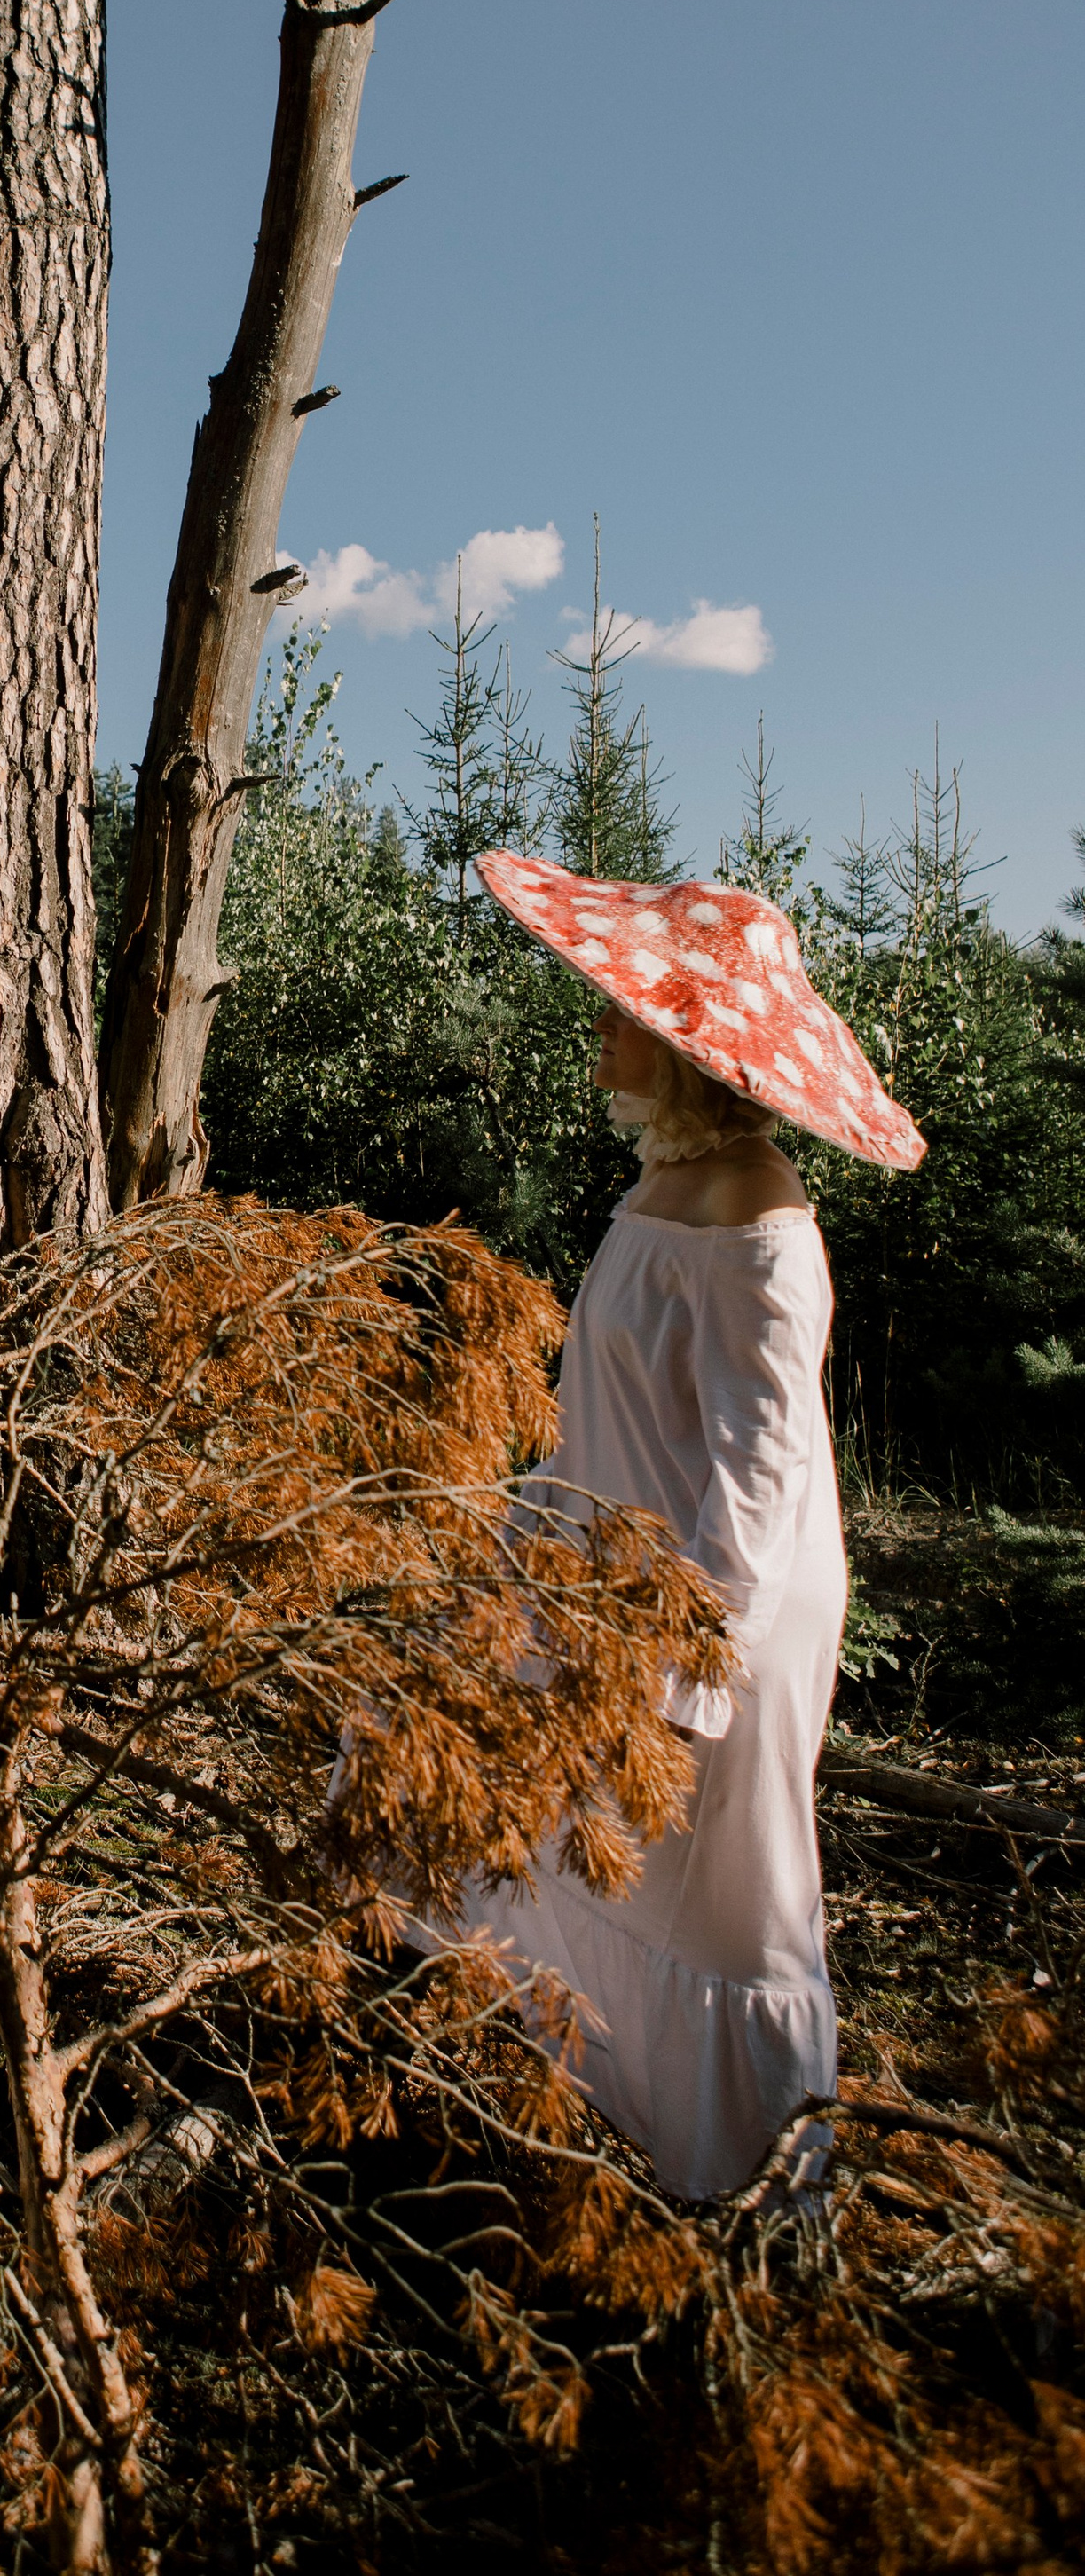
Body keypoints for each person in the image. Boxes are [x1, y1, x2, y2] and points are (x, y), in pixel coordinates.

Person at [454, 852, 926, 2202]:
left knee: (722, 1904)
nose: (599, 1031)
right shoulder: (669, 1181)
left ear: (682, 1046)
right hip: (613, 1575)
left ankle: (758, 2198)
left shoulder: (763, 1224)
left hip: (717, 1613)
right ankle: (578, 2132)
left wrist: (681, 1678)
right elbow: (614, 1413)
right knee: (560, 1838)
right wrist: (525, 1549)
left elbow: (759, 1482)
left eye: (621, 1012)